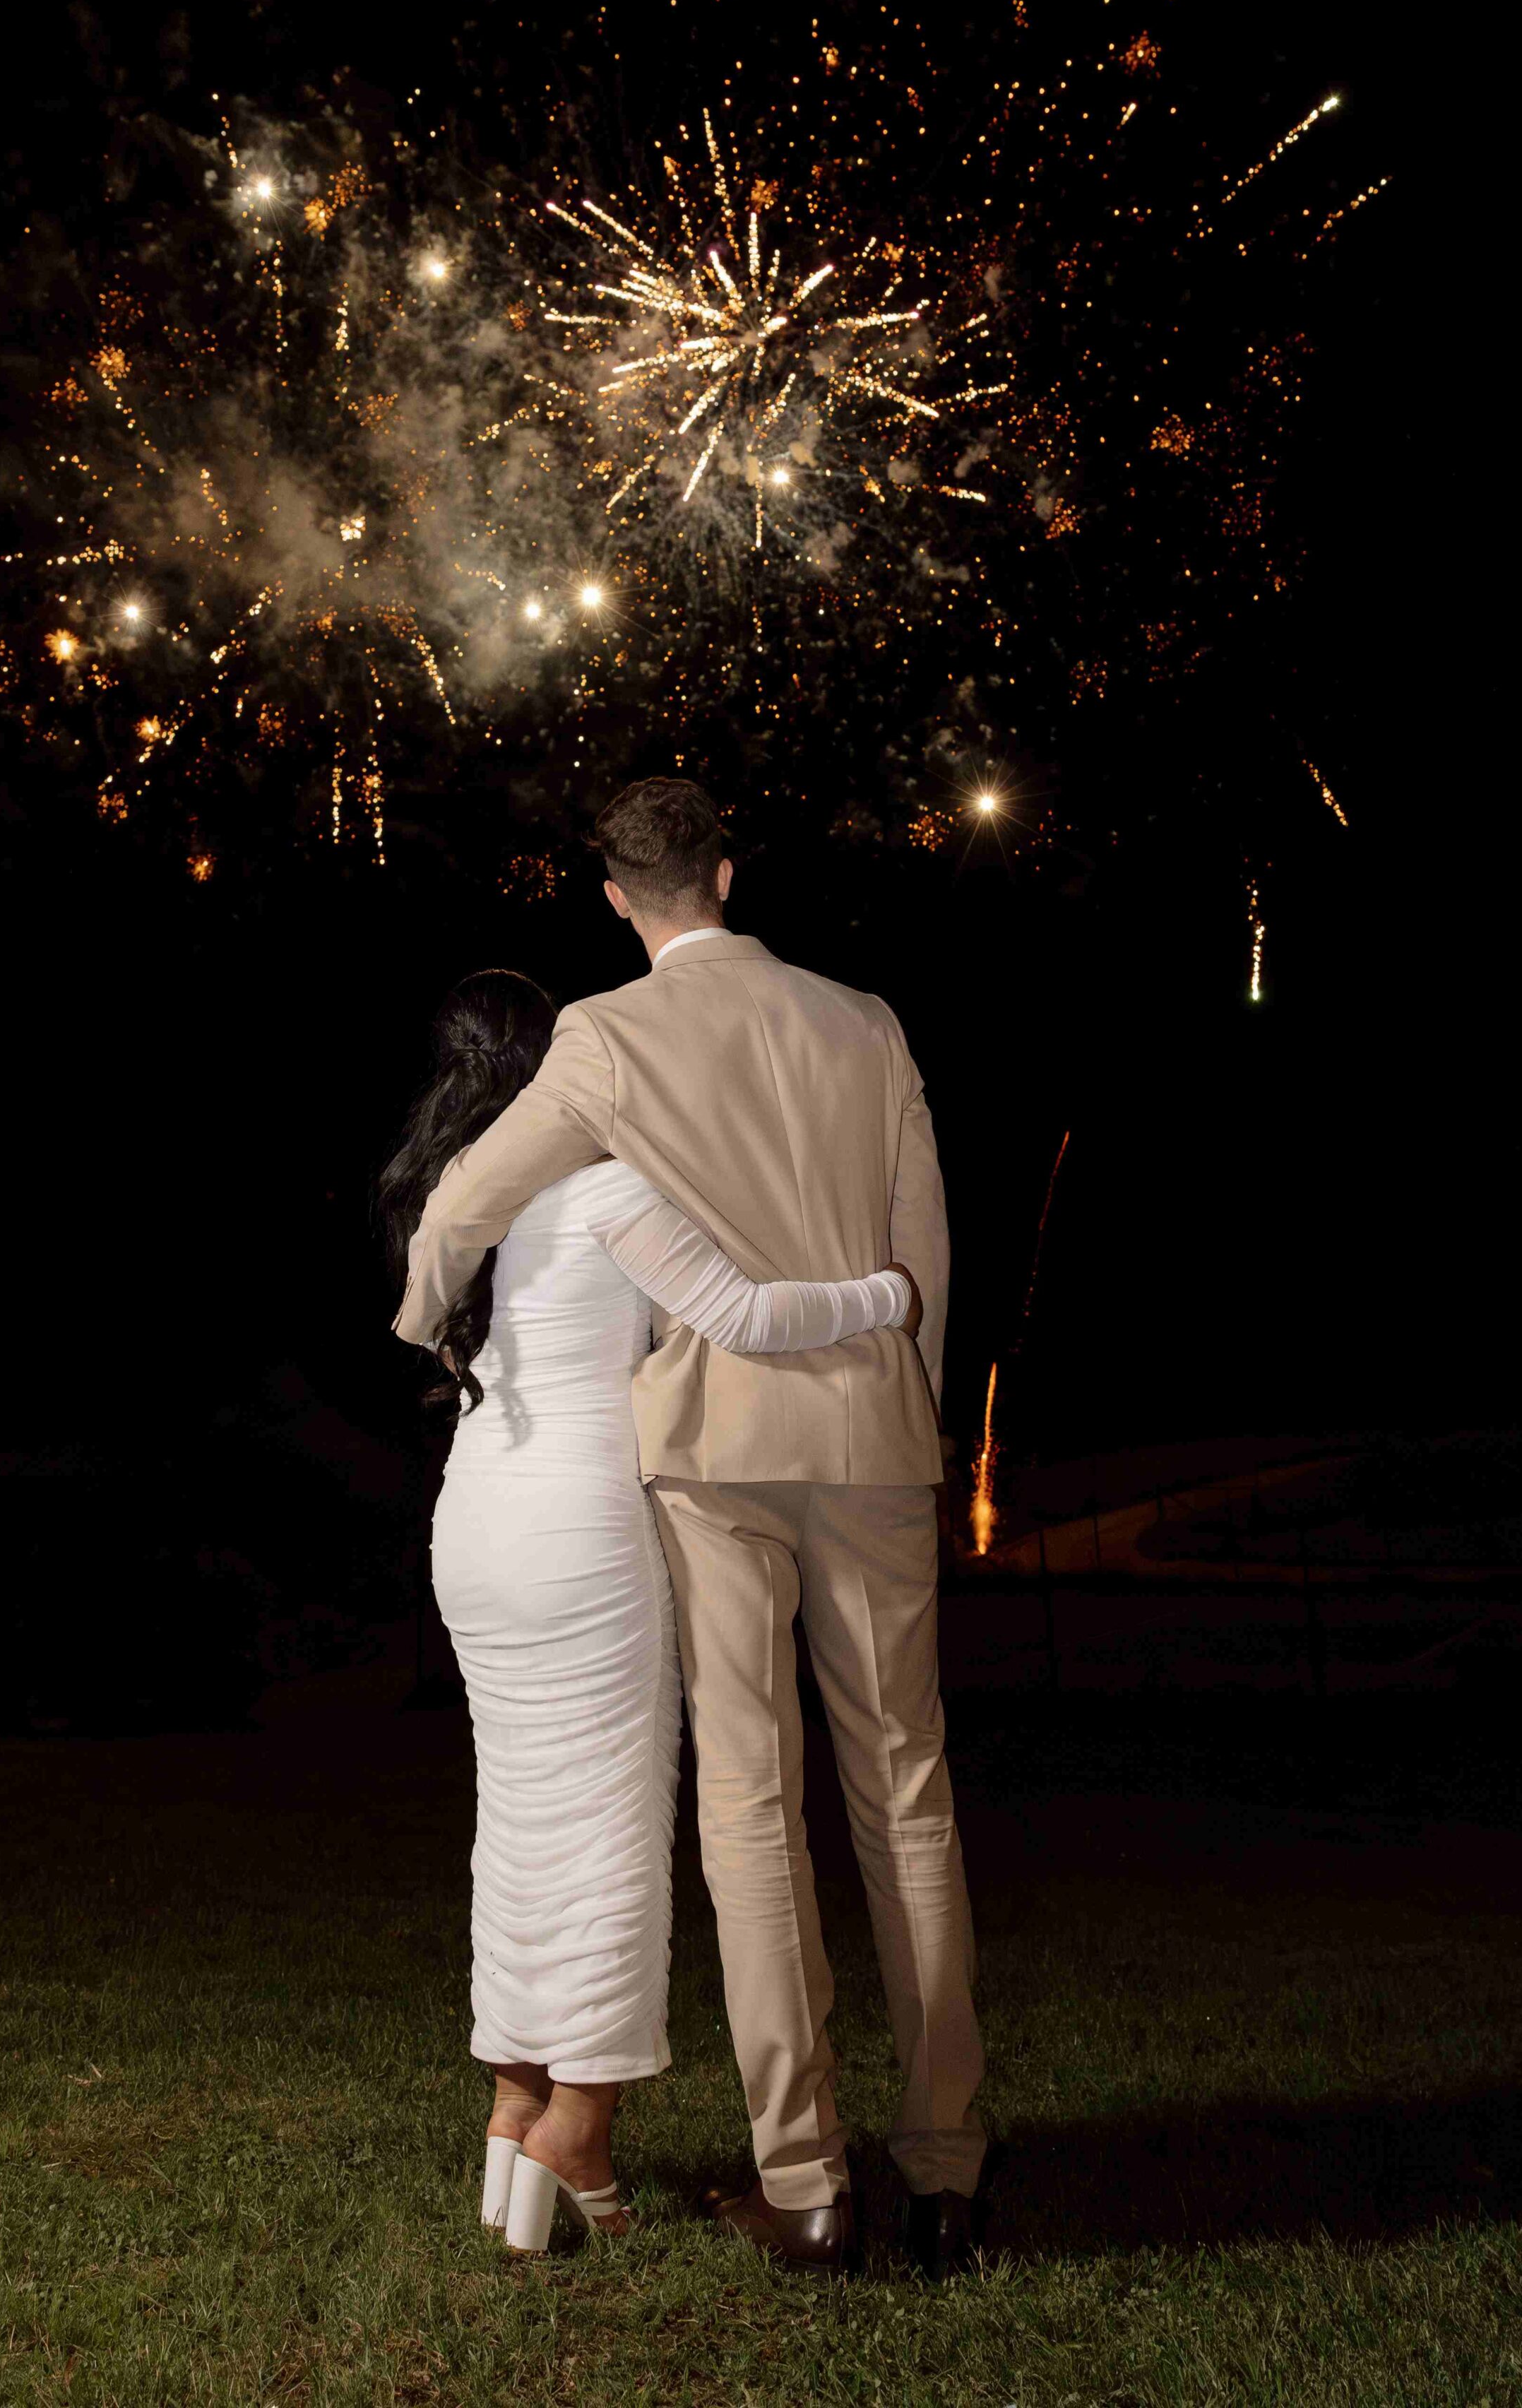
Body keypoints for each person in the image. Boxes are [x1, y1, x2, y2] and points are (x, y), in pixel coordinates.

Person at [394, 782, 989, 2278]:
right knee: (907, 1794)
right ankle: (944, 2170)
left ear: (615, 895)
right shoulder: (866, 1018)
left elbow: (464, 1199)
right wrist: (903, 1388)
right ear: (728, 870)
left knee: (750, 1809)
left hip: (719, 1450)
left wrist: (425, 1323)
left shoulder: (604, 1035)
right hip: (868, 1433)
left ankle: (805, 2185)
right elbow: (922, 1240)